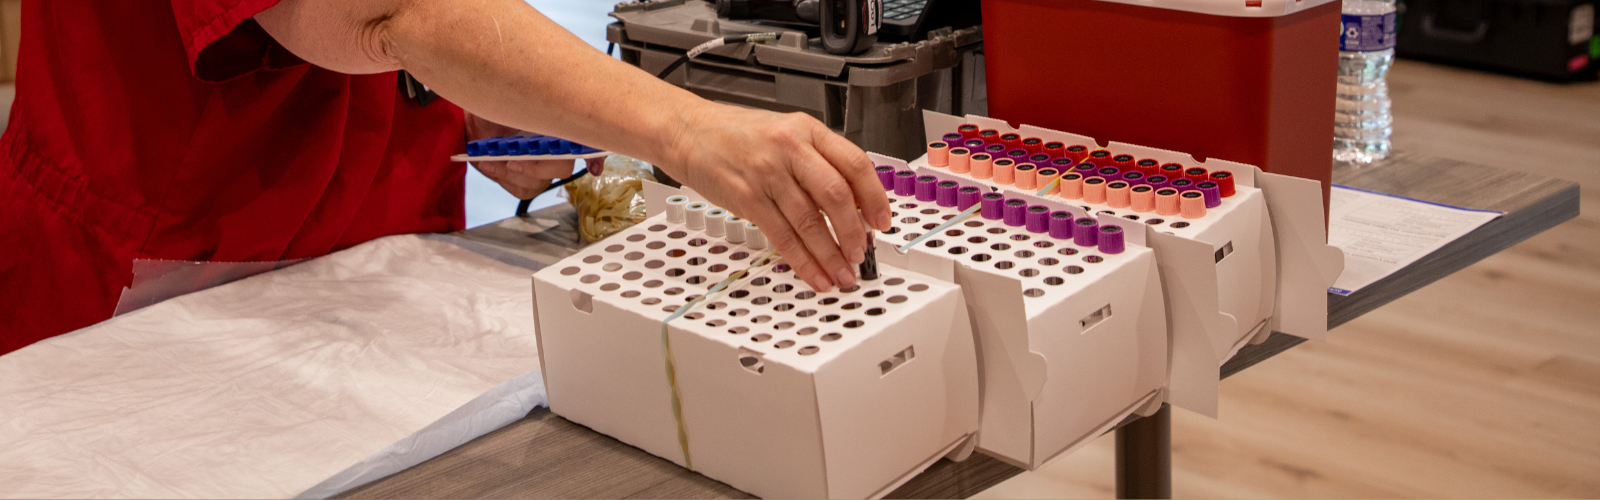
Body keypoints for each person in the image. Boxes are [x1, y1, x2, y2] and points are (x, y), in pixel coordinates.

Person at [0, 0, 892, 355]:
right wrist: (686, 127)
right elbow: (383, 11)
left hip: (370, 249)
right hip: (158, 275)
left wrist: (481, 104)